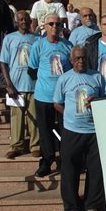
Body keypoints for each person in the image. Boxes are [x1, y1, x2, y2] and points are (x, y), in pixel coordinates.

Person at [53, 46, 106, 211]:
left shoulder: (97, 77)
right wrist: (70, 116)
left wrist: (96, 103)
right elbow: (57, 104)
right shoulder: (64, 78)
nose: (81, 61)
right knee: (69, 171)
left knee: (96, 171)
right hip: (72, 131)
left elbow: (105, 100)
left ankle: (92, 205)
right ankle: (72, 209)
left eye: (83, 58)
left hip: (94, 132)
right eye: (77, 58)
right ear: (71, 60)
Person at [28, 14, 73, 177]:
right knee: (45, 130)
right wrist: (45, 84)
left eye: (58, 24)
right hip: (44, 96)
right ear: (45, 26)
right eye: (51, 23)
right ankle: (47, 160)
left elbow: (73, 70)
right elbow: (32, 70)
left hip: (64, 98)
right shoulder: (38, 45)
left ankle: (65, 160)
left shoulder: (68, 45)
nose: (55, 26)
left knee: (65, 129)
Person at [0, 11, 39, 159]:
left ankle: (35, 145)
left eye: (26, 19)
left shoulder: (37, 39)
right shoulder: (9, 39)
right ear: (16, 22)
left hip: (34, 85)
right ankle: (16, 146)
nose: (23, 21)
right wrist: (8, 84)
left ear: (30, 20)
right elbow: (3, 62)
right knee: (17, 118)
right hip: (15, 85)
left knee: (34, 117)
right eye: (20, 19)